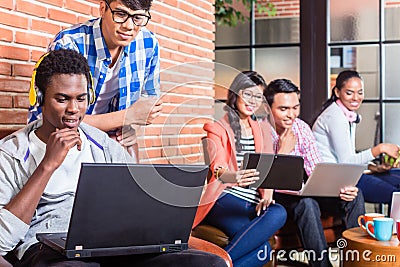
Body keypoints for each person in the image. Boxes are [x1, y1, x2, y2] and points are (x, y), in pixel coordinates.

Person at [0, 49, 226, 267]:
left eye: (81, 98)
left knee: (209, 263)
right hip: (46, 247)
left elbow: (137, 202)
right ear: (39, 97)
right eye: (62, 99)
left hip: (107, 244)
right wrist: (47, 166)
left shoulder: (102, 145)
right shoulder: (11, 153)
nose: (74, 109)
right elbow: (2, 240)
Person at [27, 0, 162, 152]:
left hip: (112, 141)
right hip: (62, 139)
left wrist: (132, 128)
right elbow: (49, 120)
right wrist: (127, 116)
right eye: (120, 14)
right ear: (103, 8)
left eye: (137, 17)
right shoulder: (69, 43)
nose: (129, 26)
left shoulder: (148, 44)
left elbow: (149, 104)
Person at [264, 78, 365, 267]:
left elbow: (315, 169)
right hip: (278, 196)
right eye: (283, 109)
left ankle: (356, 261)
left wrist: (338, 188)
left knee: (355, 195)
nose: (291, 115)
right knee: (307, 204)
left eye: (295, 107)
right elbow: (263, 179)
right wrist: (282, 152)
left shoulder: (301, 128)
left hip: (303, 190)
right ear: (269, 108)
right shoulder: (260, 131)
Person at [193, 71, 287, 267]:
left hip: (253, 202)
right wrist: (233, 176)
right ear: (236, 94)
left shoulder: (263, 130)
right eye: (248, 94)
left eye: (258, 97)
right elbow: (217, 169)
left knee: (278, 213)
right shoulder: (216, 129)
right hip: (224, 198)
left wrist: (267, 195)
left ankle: (215, 264)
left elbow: (268, 167)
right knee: (263, 249)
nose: (252, 101)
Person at [312, 70, 400, 204]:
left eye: (360, 92)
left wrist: (373, 167)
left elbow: (348, 159)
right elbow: (347, 162)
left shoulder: (346, 114)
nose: (356, 98)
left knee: (397, 176)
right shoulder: (335, 117)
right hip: (335, 180)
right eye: (349, 93)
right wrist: (380, 148)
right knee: (395, 195)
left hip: (346, 173)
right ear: (337, 92)